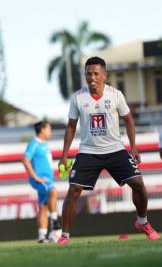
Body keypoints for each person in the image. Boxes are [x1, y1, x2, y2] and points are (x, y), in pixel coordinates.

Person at [57, 56, 159, 245]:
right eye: (88, 74)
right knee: (73, 191)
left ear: (104, 75)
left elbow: (128, 119)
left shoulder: (116, 95)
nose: (92, 77)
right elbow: (71, 126)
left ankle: (142, 222)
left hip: (115, 150)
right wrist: (64, 155)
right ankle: (64, 236)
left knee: (138, 184)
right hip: (88, 151)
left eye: (96, 73)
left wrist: (133, 147)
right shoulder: (78, 97)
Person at [22, 121, 60, 243]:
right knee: (53, 191)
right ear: (42, 130)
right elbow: (25, 160)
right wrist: (36, 177)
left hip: (47, 179)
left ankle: (42, 236)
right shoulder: (34, 144)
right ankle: (54, 222)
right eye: (49, 129)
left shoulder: (44, 144)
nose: (51, 131)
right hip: (41, 180)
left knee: (43, 207)